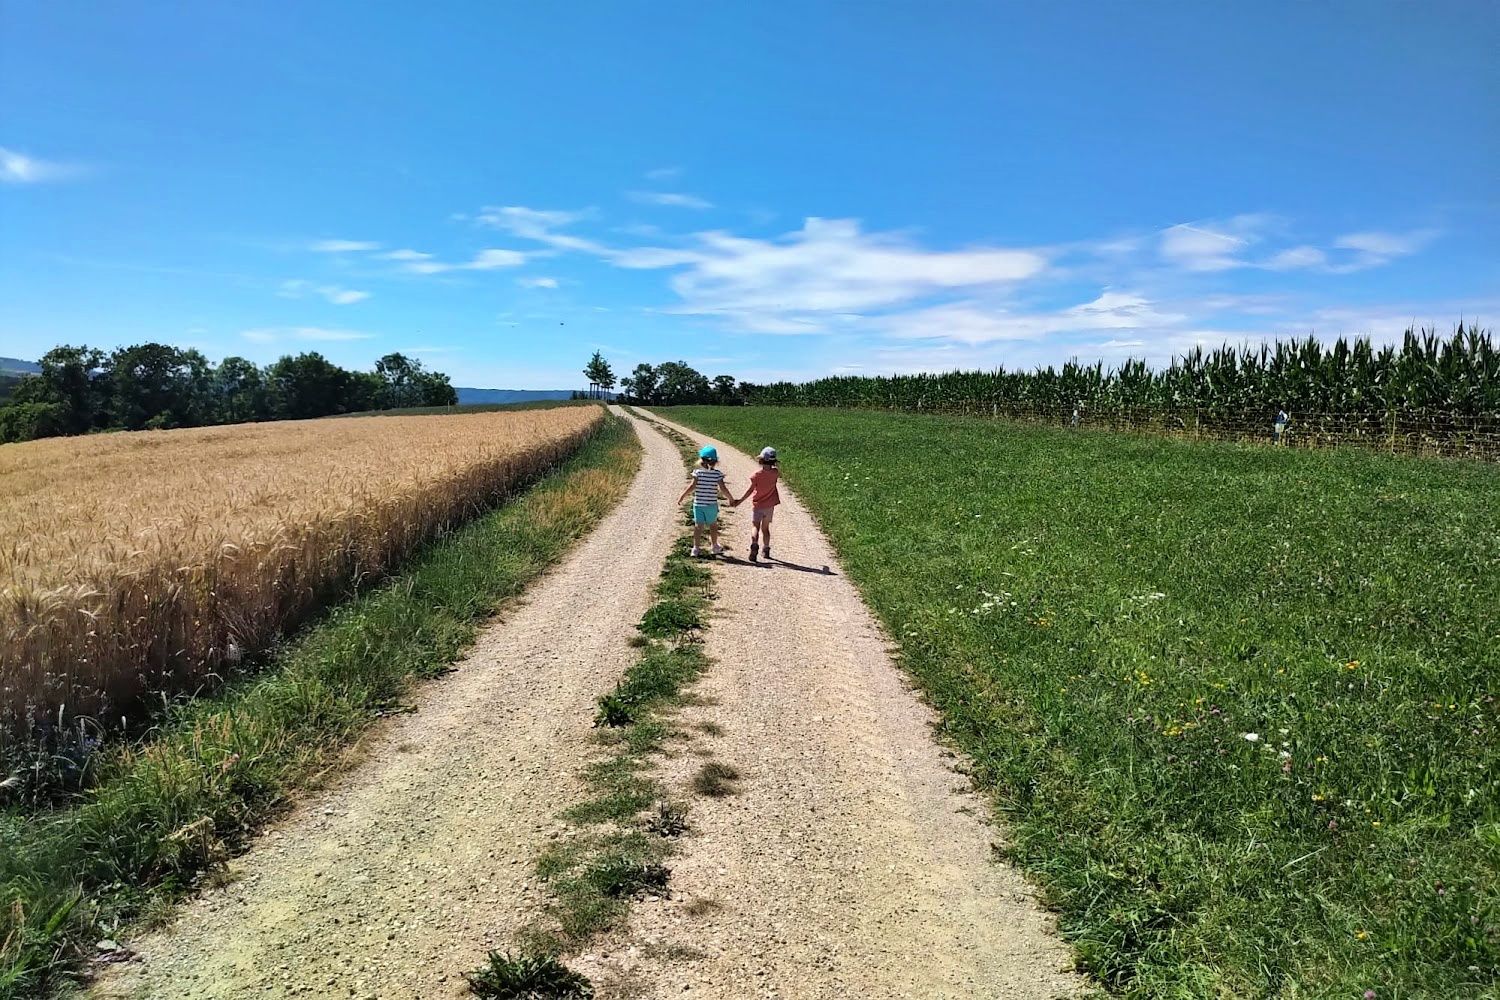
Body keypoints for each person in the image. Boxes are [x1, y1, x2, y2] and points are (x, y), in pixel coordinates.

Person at [678, 445, 733, 557]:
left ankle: (696, 549)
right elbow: (723, 489)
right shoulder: (717, 474)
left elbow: (692, 486)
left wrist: (682, 496)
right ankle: (714, 546)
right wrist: (731, 499)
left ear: (701, 460)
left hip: (698, 505)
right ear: (715, 462)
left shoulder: (697, 473)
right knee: (713, 525)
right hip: (711, 505)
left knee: (698, 526)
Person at [732, 446, 780, 562]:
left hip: (758, 505)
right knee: (765, 529)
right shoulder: (775, 473)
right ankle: (766, 549)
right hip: (769, 506)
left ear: (761, 460)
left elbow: (750, 490)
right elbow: (776, 471)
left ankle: (754, 544)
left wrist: (740, 501)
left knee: (755, 527)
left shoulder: (756, 475)